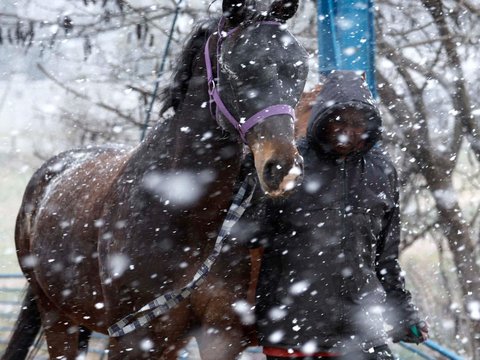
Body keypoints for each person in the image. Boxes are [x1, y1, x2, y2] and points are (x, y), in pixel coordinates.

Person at [235, 71, 428, 359]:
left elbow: (385, 258)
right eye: (337, 120)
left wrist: (403, 313)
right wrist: (252, 176)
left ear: (370, 126)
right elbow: (250, 235)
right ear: (321, 120)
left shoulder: (382, 172)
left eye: (356, 123)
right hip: (294, 332)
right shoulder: (292, 165)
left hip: (362, 330)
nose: (345, 131)